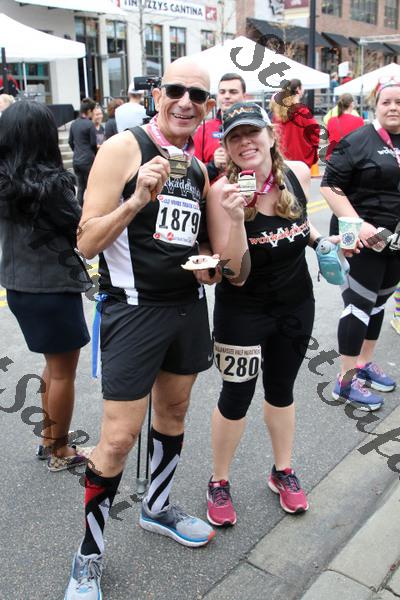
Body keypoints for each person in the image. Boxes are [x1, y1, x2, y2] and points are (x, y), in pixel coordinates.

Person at [64, 56, 219, 600]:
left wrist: (212, 263)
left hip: (187, 308)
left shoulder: (197, 168)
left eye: (197, 96)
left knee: (174, 413)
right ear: (157, 95)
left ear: (208, 108)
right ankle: (88, 557)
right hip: (133, 310)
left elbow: (196, 242)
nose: (185, 102)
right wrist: (135, 201)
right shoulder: (122, 148)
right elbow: (85, 243)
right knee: (117, 438)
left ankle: (157, 506)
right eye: (176, 90)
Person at [205, 102, 345, 526]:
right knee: (236, 396)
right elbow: (234, 274)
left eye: (252, 132)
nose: (245, 142)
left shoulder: (297, 174)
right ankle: (218, 480)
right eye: (235, 137)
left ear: (271, 135)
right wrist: (235, 220)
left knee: (281, 389)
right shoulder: (221, 193)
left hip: (296, 307)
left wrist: (321, 242)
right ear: (227, 147)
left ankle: (282, 470)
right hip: (242, 312)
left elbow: (300, 223)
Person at [0, 101, 92, 471]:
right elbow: (81, 231)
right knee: (63, 372)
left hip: (19, 288)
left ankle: (49, 440)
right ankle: (60, 450)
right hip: (53, 288)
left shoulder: (5, 183)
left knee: (53, 367)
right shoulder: (52, 186)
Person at [321, 77, 400, 410]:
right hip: (360, 238)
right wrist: (360, 224)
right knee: (358, 305)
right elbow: (329, 185)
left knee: (379, 304)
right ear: (375, 106)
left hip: (394, 243)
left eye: (399, 102)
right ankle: (345, 379)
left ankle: (364, 363)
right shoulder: (358, 140)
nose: (393, 108)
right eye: (386, 102)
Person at [193, 73, 247, 183]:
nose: (226, 96)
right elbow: (193, 174)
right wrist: (213, 166)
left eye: (233, 92)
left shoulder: (254, 128)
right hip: (214, 192)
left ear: (244, 96)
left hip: (248, 190)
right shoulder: (204, 129)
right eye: (222, 92)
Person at [270, 78, 320, 169]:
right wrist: (312, 148)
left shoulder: (277, 112)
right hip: (300, 159)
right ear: (298, 89)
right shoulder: (302, 111)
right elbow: (315, 131)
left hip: (283, 159)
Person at [68, 97, 97, 206]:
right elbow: (93, 144)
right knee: (92, 186)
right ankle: (91, 208)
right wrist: (95, 154)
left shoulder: (74, 124)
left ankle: (79, 209)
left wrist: (76, 151)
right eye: (93, 111)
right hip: (88, 160)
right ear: (89, 111)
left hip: (76, 160)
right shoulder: (90, 124)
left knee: (80, 188)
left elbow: (70, 141)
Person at [326, 94, 364, 160]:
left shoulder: (331, 121)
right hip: (351, 158)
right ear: (351, 104)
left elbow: (329, 139)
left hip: (332, 157)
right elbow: (361, 142)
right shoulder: (359, 120)